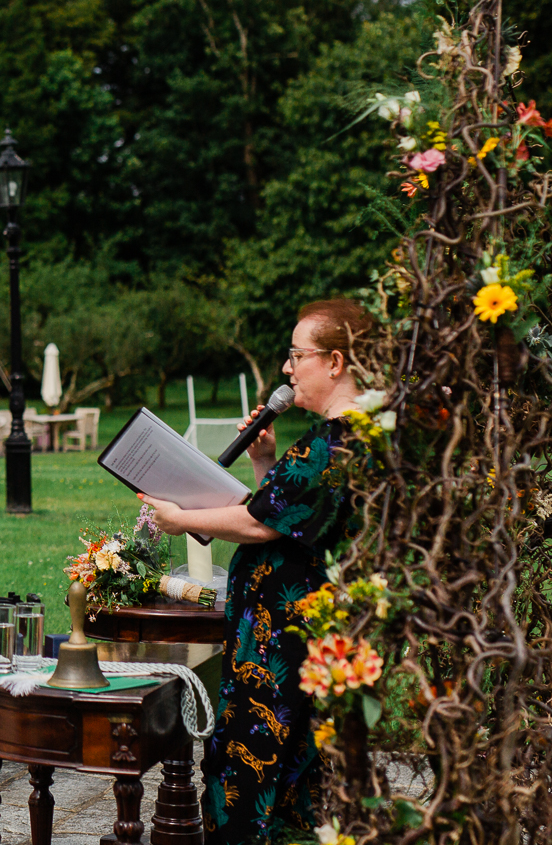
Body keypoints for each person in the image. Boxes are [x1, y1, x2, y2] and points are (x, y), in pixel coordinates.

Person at [139, 299, 369, 845]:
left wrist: (180, 519)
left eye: (297, 356)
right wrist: (265, 462)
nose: (287, 370)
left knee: (254, 773)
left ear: (335, 362)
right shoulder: (336, 437)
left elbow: (263, 526)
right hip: (285, 639)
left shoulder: (336, 444)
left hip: (283, 650)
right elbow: (287, 517)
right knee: (288, 777)